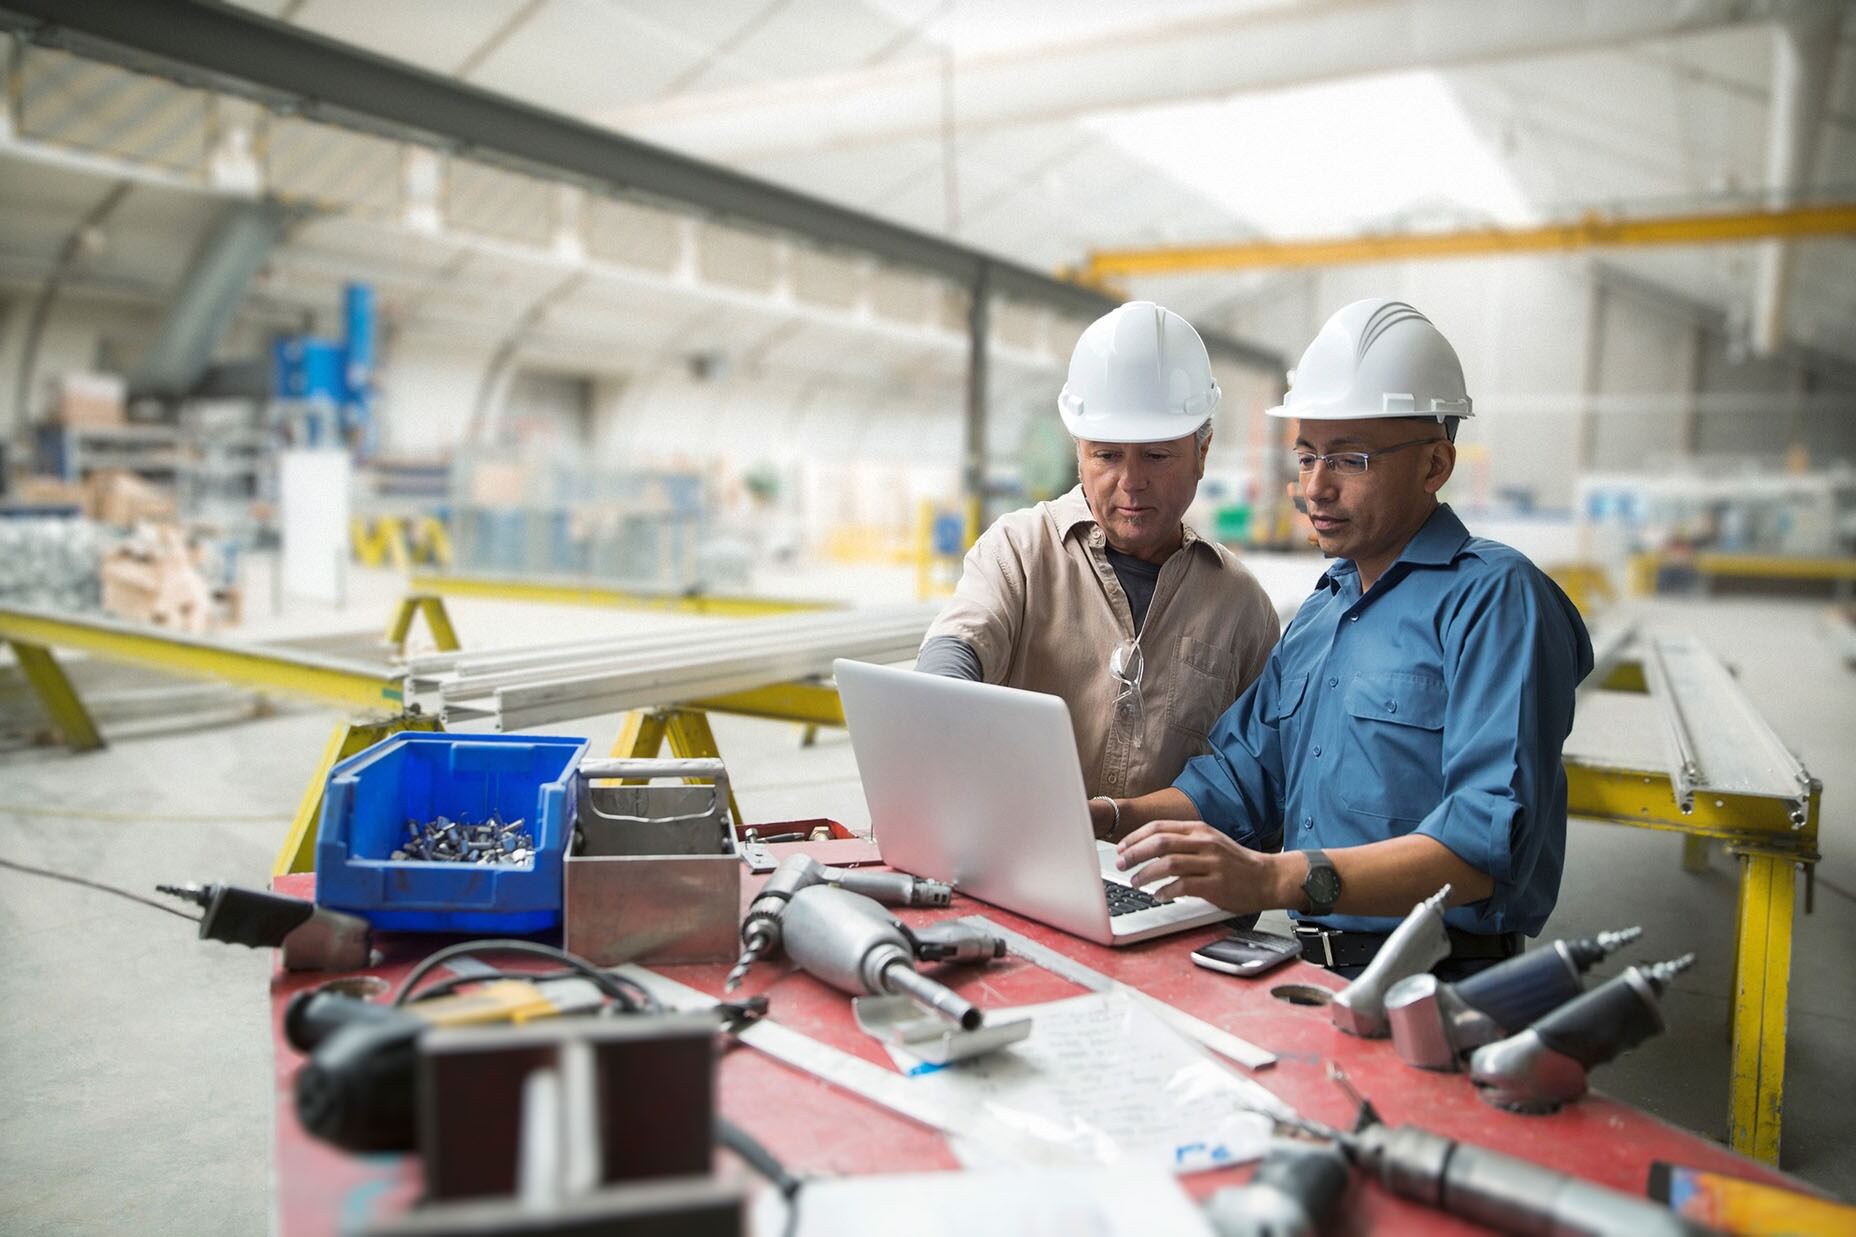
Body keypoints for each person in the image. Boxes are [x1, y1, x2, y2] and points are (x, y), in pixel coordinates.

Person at [1106, 298, 1594, 975]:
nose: (1316, 487)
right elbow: (1236, 781)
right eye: (1306, 458)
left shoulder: (1495, 600)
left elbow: (1485, 843)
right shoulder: (1322, 612)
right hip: (1309, 969)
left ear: (1435, 465)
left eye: (1350, 459)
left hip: (1443, 979)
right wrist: (1102, 817)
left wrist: (1275, 879)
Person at [917, 301, 1280, 830]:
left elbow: (1254, 784)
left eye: (1156, 456)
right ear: (1079, 450)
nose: (1131, 482)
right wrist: (938, 699)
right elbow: (963, 639)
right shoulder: (1020, 551)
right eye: (1107, 456)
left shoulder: (1240, 608)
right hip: (1023, 860)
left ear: (1202, 452)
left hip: (1169, 895)